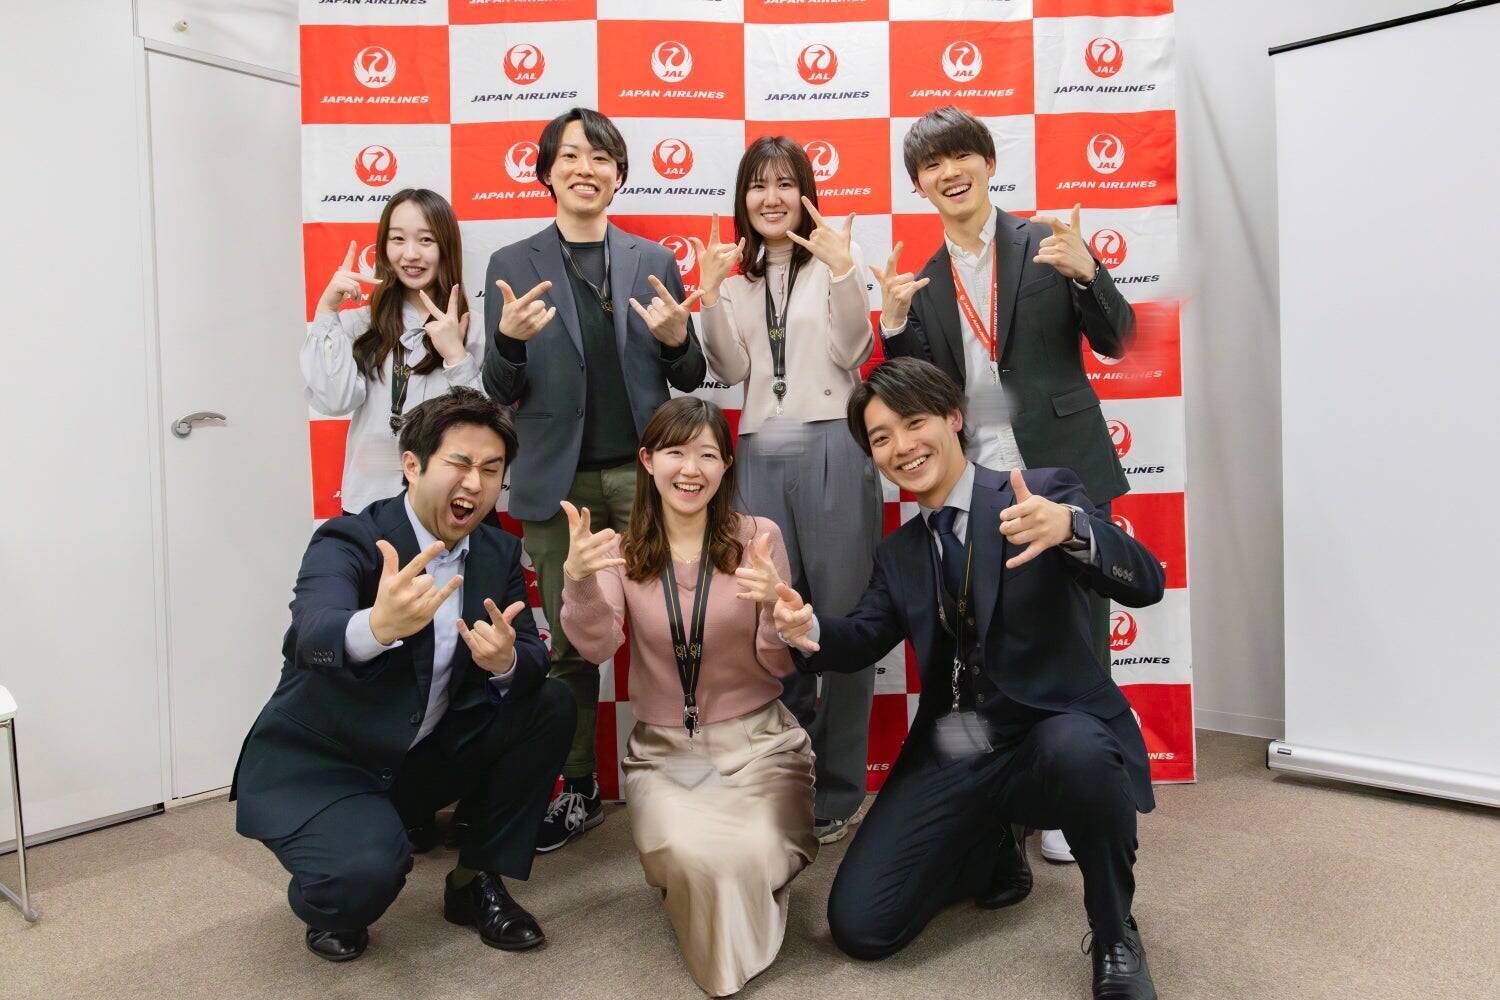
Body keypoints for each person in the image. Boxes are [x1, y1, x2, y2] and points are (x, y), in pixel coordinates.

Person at [773, 359, 1165, 1000]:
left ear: (954, 418)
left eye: (914, 423)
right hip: (957, 744)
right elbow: (861, 637)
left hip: (1048, 733)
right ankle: (991, 848)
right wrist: (805, 628)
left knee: (1080, 750)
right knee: (862, 927)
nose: (901, 447)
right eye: (880, 438)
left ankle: (1115, 931)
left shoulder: (1037, 492)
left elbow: (1145, 581)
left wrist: (1073, 529)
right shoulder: (899, 552)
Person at [875, 105, 1138, 865]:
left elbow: (1119, 340)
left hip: (1064, 467)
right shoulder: (922, 279)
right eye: (931, 165)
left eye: (961, 156)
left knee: (1081, 635)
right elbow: (918, 396)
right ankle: (1016, 790)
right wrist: (892, 328)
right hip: (978, 481)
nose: (949, 172)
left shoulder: (1048, 245)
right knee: (993, 642)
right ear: (919, 185)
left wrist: (1089, 273)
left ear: (988, 163)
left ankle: (1080, 796)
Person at [231, 388, 574, 963]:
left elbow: (529, 653)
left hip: (418, 755)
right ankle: (335, 880)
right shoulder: (350, 539)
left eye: (491, 470)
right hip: (329, 762)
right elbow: (310, 632)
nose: (475, 484)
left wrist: (506, 662)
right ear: (412, 465)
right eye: (459, 463)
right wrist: (376, 626)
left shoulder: (496, 551)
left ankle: (474, 881)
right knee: (360, 880)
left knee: (549, 701)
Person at [482, 108, 708, 851]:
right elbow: (499, 390)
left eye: (602, 156)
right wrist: (508, 345)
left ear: (619, 174)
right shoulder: (511, 263)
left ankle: (685, 774)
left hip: (648, 482)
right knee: (570, 648)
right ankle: (576, 788)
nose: (587, 168)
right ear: (546, 172)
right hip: (558, 488)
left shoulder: (654, 258)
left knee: (675, 628)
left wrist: (677, 340)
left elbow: (690, 375)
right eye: (571, 156)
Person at [559, 395, 816, 997]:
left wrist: (780, 618)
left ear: (727, 465)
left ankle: (729, 882)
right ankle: (710, 886)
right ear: (648, 460)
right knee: (692, 856)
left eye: (707, 454)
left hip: (760, 744)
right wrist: (579, 581)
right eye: (675, 452)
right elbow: (597, 646)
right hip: (666, 754)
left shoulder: (758, 538)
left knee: (754, 851)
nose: (691, 469)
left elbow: (777, 661)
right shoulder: (620, 554)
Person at [694, 135, 881, 844]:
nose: (770, 198)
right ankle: (786, 773)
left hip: (834, 442)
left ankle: (839, 786)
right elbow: (729, 366)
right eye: (757, 185)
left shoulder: (836, 260)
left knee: (842, 615)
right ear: (743, 198)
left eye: (784, 184)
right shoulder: (738, 277)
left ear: (805, 193)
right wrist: (711, 294)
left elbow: (853, 350)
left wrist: (843, 271)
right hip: (759, 450)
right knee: (772, 618)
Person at [303, 187, 485, 517]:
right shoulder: (358, 324)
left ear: (446, 247)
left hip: (449, 505)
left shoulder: (472, 327)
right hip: (372, 502)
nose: (410, 254)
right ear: (384, 248)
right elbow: (335, 401)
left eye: (426, 240)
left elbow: (483, 430)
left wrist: (456, 357)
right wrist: (327, 312)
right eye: (398, 239)